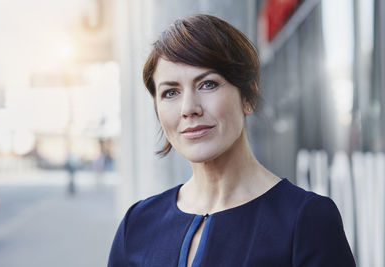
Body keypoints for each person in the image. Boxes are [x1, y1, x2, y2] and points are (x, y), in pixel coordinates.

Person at [108, 14, 355, 267]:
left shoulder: (306, 221)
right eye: (171, 92)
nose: (188, 108)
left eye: (207, 85)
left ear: (248, 97)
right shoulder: (137, 224)